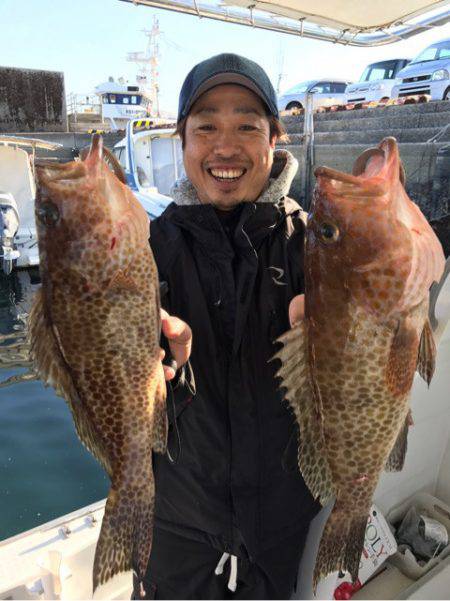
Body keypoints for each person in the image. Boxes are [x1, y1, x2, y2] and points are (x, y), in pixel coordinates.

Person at [134, 53, 320, 600]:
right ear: (183, 141)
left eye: (247, 125)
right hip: (175, 526)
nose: (225, 147)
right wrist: (159, 361)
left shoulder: (317, 246)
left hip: (283, 525)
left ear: (272, 140)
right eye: (206, 126)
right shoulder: (148, 250)